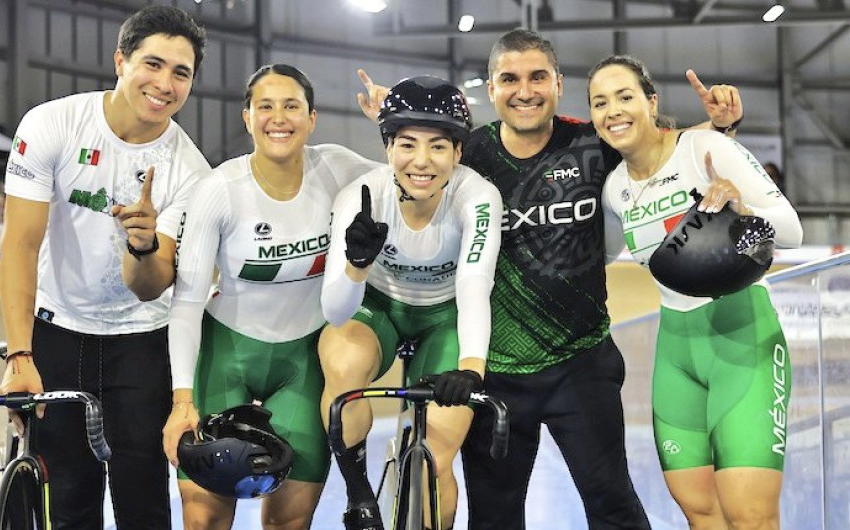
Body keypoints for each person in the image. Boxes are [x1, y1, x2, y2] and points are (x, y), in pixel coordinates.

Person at [434, 29, 743, 530]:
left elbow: (665, 155)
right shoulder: (467, 156)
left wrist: (721, 127)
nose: (525, 90)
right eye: (509, 79)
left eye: (538, 77)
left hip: (583, 363)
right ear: (490, 89)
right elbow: (411, 175)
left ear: (558, 83)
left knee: (612, 503)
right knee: (492, 517)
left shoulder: (593, 144)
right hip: (495, 371)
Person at [0, 5, 209, 528]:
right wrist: (20, 353)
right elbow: (21, 244)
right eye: (152, 64)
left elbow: (152, 285)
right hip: (57, 331)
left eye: (181, 73)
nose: (165, 84)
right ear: (121, 60)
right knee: (69, 498)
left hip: (141, 342)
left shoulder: (191, 171)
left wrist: (140, 247)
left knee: (143, 502)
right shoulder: (53, 124)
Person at [160, 63, 381, 530]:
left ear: (312, 118)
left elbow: (411, 177)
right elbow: (185, 303)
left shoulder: (338, 168)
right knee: (205, 517)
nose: (278, 117)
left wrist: (391, 123)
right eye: (265, 106)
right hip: (226, 354)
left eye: (291, 106)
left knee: (289, 520)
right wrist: (182, 400)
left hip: (302, 360)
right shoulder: (218, 190)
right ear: (247, 117)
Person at [590, 54, 803, 529]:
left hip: (740, 333)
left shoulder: (704, 148)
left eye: (625, 97)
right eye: (599, 102)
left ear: (651, 101)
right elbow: (600, 253)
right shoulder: (614, 189)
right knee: (700, 511)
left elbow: (792, 230)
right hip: (676, 349)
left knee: (749, 515)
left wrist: (743, 208)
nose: (613, 111)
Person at [319, 75, 502, 530]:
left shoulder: (477, 196)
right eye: (407, 145)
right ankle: (359, 493)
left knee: (434, 462)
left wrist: (471, 370)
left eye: (438, 146)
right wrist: (356, 266)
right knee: (343, 363)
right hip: (378, 309)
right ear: (387, 147)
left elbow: (475, 287)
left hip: (446, 316)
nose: (422, 162)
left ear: (458, 153)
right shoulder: (360, 197)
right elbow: (336, 312)